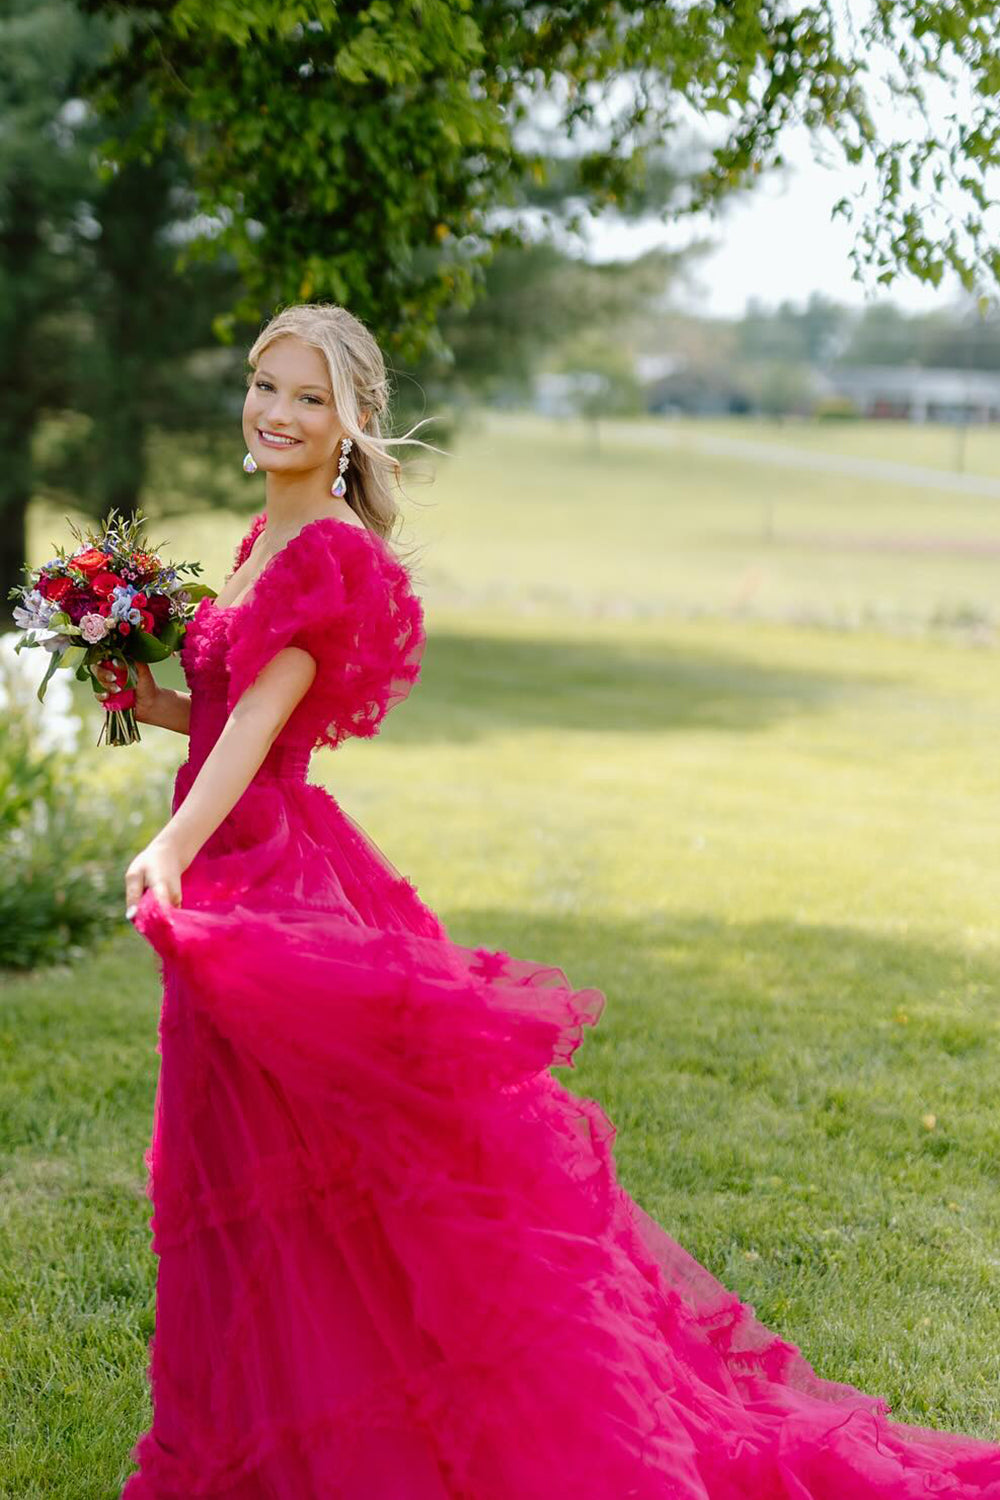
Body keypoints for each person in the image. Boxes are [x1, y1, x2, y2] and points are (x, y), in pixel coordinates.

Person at [115, 302, 1000, 1498]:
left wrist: (171, 844)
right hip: (237, 848)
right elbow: (221, 714)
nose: (275, 411)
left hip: (264, 867)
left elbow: (267, 724)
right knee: (256, 1160)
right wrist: (138, 691)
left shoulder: (325, 549)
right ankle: (273, 1420)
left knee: (342, 1163)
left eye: (307, 397)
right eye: (266, 386)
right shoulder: (256, 537)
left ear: (354, 423)